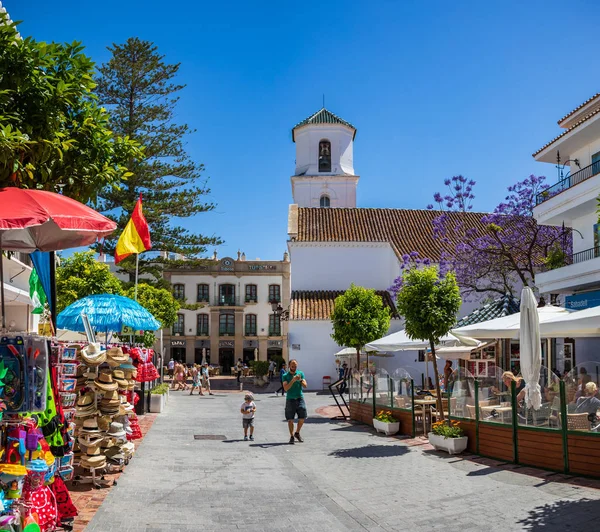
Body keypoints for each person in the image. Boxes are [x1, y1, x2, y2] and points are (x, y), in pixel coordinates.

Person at [282, 359, 307, 444]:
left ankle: (297, 432)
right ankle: (292, 436)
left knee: (302, 417)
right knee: (290, 419)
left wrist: (300, 380)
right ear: (289, 366)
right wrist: (293, 380)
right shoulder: (285, 375)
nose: (294, 367)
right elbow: (286, 388)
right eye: (293, 366)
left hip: (300, 398)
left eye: (295, 366)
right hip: (290, 399)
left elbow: (305, 385)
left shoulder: (300, 374)